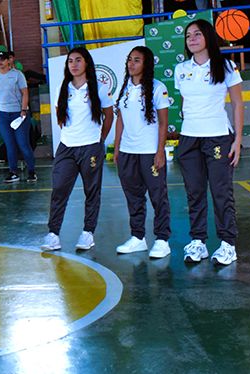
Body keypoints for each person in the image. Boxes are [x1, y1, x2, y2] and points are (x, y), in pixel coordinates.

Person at [174, 20, 244, 265]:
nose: (191, 39)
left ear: (208, 37)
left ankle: (228, 244)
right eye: (188, 35)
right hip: (189, 139)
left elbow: (237, 103)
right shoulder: (181, 69)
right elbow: (184, 103)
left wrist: (237, 139)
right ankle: (198, 242)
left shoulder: (225, 66)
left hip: (218, 137)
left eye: (197, 34)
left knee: (221, 192)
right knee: (194, 193)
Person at [41, 47, 114, 251]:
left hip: (90, 147)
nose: (73, 64)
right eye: (70, 61)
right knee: (59, 190)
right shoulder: (63, 88)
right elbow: (59, 114)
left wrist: (100, 138)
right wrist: (70, 133)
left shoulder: (98, 88)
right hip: (66, 148)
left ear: (87, 63)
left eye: (78, 60)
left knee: (92, 192)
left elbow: (109, 115)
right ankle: (53, 234)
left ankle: (87, 233)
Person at [112, 46, 172, 259]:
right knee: (133, 197)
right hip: (128, 152)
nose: (131, 63)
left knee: (158, 197)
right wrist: (117, 148)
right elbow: (120, 120)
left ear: (146, 65)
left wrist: (159, 151)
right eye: (129, 59)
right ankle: (138, 238)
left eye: (136, 60)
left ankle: (162, 240)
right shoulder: (125, 87)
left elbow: (164, 122)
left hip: (149, 152)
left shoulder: (157, 88)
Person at [0, 50, 35, 183]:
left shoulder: (17, 75)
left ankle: (31, 171)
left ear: (9, 61)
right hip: (3, 114)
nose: (0, 62)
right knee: (9, 145)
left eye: (3, 59)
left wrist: (23, 109)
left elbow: (25, 93)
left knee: (23, 143)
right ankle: (13, 172)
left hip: (18, 113)